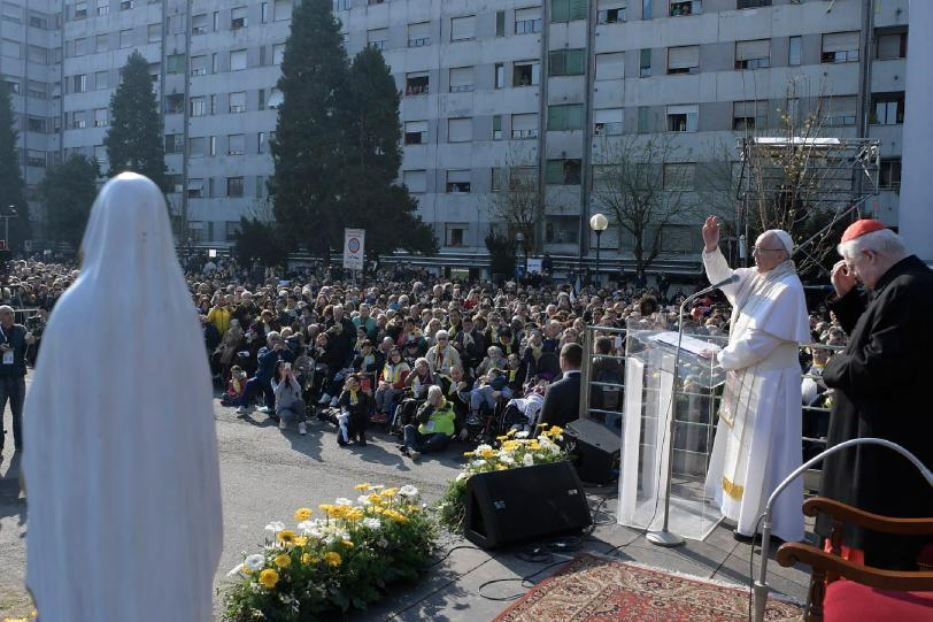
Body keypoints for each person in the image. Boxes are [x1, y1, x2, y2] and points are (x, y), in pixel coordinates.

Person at [23, 173, 222, 621]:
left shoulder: (73, 314)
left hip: (91, 514)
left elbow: (41, 434)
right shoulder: (180, 320)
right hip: (166, 522)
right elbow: (200, 448)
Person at [818, 220, 933, 569]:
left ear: (870, 254)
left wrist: (831, 367)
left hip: (882, 447)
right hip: (882, 433)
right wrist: (848, 299)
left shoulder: (908, 290)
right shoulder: (906, 284)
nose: (853, 273)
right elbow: (873, 340)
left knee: (872, 553)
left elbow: (876, 366)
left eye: (853, 266)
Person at [699, 215, 810, 543]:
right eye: (756, 249)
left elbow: (760, 342)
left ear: (781, 255)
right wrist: (711, 247)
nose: (755, 256)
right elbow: (723, 279)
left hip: (770, 384)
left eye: (762, 250)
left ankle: (765, 521)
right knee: (741, 450)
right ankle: (737, 511)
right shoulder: (757, 277)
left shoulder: (788, 289)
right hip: (747, 378)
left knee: (764, 452)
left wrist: (722, 358)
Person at [0, 305, 35, 457]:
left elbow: (30, 344)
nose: (11, 316)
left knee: (18, 414)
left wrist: (31, 340)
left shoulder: (20, 329)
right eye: (7, 314)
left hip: (18, 378)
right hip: (1, 378)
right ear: (1, 316)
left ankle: (20, 445)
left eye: (12, 313)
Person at [400, 385, 456, 461]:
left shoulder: (450, 405)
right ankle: (411, 450)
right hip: (423, 434)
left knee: (442, 436)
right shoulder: (425, 405)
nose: (436, 399)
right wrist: (430, 406)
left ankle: (411, 449)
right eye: (433, 396)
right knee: (408, 427)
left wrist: (464, 428)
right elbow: (420, 419)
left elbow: (459, 418)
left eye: (437, 396)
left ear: (441, 395)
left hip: (437, 437)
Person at [539, 343, 584, 428]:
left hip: (559, 439)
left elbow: (543, 425)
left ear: (563, 360)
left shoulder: (554, 389)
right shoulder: (594, 388)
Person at [272, 360, 307, 435]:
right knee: (286, 415)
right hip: (282, 407)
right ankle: (284, 419)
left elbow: (298, 389)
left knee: (300, 402)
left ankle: (302, 425)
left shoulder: (291, 377)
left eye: (284, 366)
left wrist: (291, 379)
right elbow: (276, 392)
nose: (283, 368)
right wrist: (283, 379)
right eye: (281, 367)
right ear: (277, 369)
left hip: (293, 405)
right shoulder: (273, 380)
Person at [336, 374, 371, 447]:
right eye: (351, 383)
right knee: (341, 441)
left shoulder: (363, 391)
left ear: (359, 382)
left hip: (360, 417)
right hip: (348, 418)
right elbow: (340, 403)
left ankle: (362, 434)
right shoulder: (346, 391)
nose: (354, 385)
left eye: (355, 382)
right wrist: (345, 390)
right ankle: (352, 434)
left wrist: (370, 396)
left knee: (364, 414)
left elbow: (372, 405)